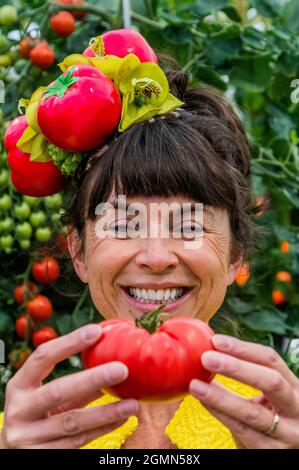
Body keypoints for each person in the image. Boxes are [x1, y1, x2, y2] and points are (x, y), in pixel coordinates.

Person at [1, 53, 299, 450]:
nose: (157, 258)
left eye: (190, 226)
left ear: (235, 256)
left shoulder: (284, 429)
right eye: (123, 225)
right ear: (78, 251)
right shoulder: (19, 435)